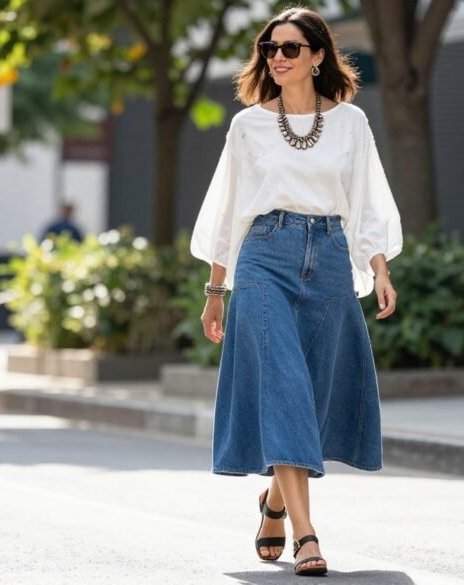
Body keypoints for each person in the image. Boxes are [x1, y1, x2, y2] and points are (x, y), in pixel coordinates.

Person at [190, 7, 402, 577]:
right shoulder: (248, 126)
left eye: (290, 48)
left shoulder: (351, 122)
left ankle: (275, 503)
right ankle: (307, 536)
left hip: (330, 258)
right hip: (264, 256)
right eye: (270, 49)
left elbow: (366, 203)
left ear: (317, 56)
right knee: (283, 385)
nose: (277, 58)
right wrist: (216, 289)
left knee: (311, 394)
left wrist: (379, 268)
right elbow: (229, 210)